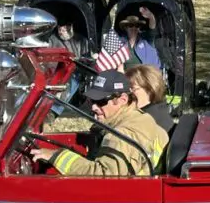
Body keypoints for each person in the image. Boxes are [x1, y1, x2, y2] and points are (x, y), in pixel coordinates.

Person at [31, 70, 167, 176]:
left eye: (101, 101)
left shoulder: (122, 135)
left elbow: (103, 177)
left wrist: (56, 156)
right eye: (92, 101)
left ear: (123, 99)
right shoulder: (141, 119)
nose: (94, 107)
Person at [126, 64, 174, 134]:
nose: (128, 94)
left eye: (133, 89)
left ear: (149, 90)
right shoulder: (160, 110)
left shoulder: (147, 120)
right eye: (126, 89)